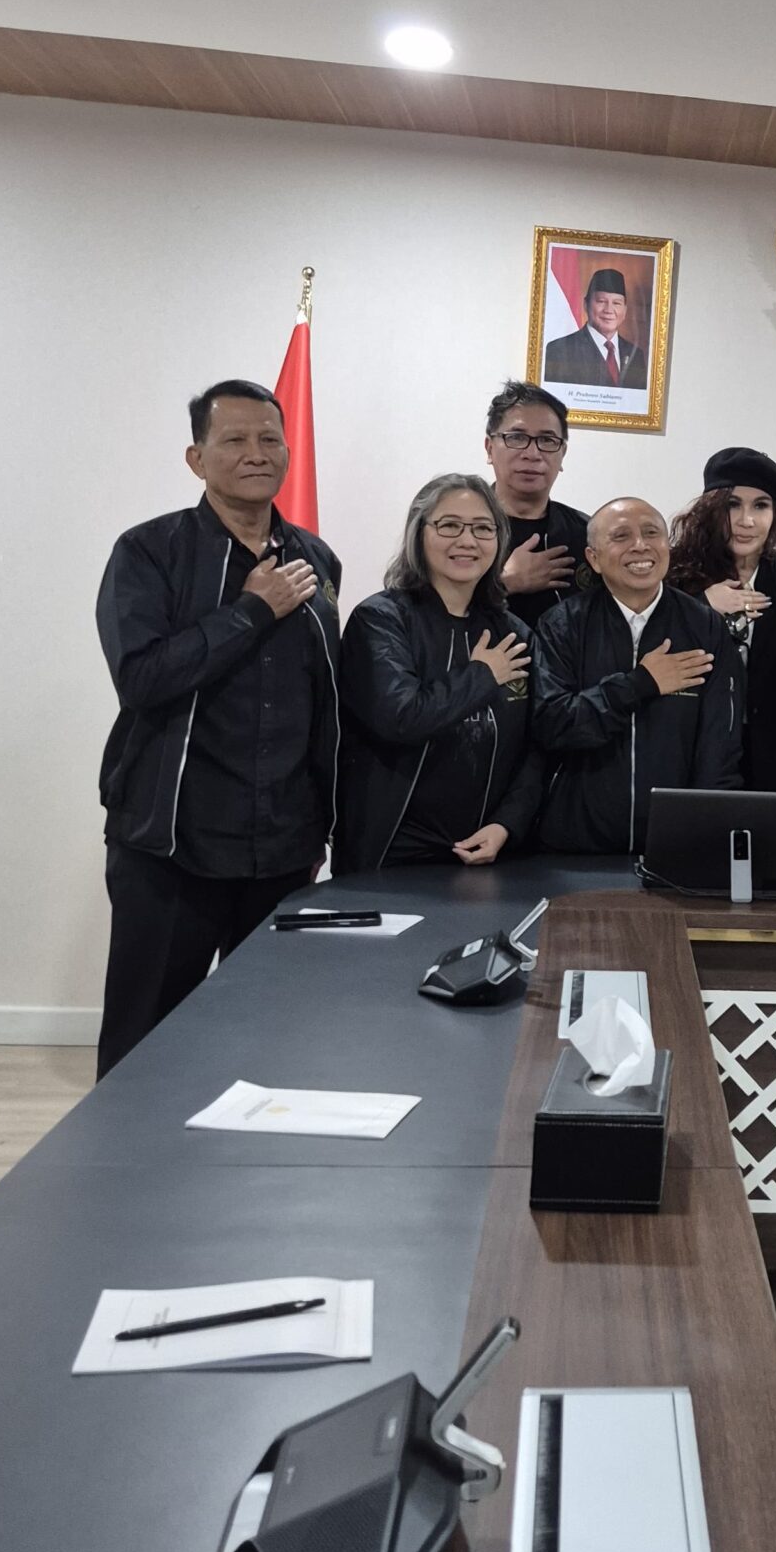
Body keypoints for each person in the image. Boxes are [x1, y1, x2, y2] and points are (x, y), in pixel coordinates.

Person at [94, 380, 341, 1076]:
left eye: (269, 439)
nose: (256, 453)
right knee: (144, 1048)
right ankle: (131, 1150)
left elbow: (321, 699)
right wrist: (250, 612)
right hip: (173, 846)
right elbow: (142, 678)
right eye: (234, 440)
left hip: (282, 848)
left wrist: (321, 826)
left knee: (267, 1047)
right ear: (196, 458)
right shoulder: (149, 552)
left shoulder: (315, 560)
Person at [333, 475, 539, 873]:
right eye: (449, 526)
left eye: (483, 528)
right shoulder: (381, 619)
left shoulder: (514, 634)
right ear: (419, 533)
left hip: (485, 852)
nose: (467, 540)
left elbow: (535, 746)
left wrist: (507, 824)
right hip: (390, 851)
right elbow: (400, 718)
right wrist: (482, 675)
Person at [532, 496, 742, 852]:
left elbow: (720, 744)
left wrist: (705, 831)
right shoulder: (563, 624)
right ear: (593, 558)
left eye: (651, 533)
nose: (640, 545)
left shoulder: (703, 625)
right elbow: (553, 725)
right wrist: (639, 684)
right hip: (576, 846)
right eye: (621, 536)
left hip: (674, 844)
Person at [668, 446, 776, 792]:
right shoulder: (674, 575)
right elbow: (651, 654)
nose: (746, 521)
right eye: (733, 505)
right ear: (710, 509)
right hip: (689, 757)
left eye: (761, 506)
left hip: (773, 764)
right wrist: (701, 606)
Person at [484, 381, 589, 630]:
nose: (532, 454)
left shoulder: (588, 533)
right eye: (517, 437)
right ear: (489, 448)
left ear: (562, 454)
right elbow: (426, 615)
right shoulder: (455, 528)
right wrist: (505, 583)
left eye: (547, 440)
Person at [539, 268, 648, 391]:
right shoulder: (559, 350)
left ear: (625, 310)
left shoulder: (635, 355)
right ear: (586, 304)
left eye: (616, 303)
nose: (609, 310)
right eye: (601, 301)